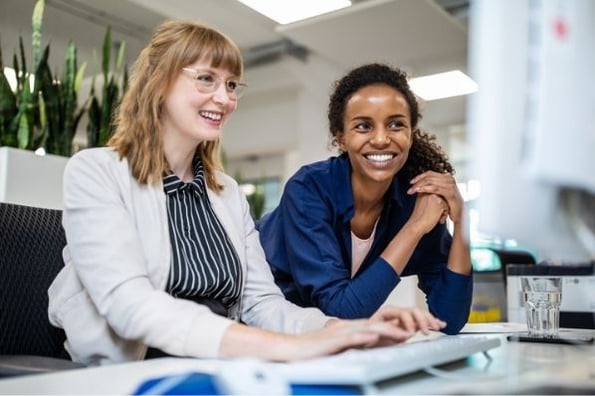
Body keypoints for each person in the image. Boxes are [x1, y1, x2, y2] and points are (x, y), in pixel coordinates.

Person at [47, 23, 446, 366]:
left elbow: (260, 304)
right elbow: (130, 306)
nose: (224, 98)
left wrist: (347, 330)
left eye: (232, 84)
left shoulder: (226, 193)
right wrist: (281, 348)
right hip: (128, 370)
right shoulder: (97, 171)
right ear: (159, 82)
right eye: (206, 79)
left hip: (221, 361)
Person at [257, 63, 472, 334]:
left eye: (396, 124)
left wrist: (462, 218)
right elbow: (341, 311)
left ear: (410, 134)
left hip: (315, 335)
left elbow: (449, 319)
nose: (381, 139)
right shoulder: (309, 188)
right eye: (363, 126)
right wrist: (414, 228)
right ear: (342, 139)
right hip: (252, 317)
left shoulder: (413, 199)